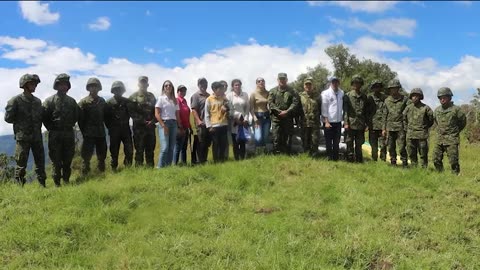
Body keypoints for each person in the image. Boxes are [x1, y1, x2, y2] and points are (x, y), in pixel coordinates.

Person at [4, 74, 46, 187]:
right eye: (32, 84)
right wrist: (20, 123)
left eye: (35, 84)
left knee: (40, 162)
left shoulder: (38, 101)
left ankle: (42, 185)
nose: (35, 86)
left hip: (37, 136)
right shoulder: (15, 100)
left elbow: (41, 117)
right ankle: (19, 186)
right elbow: (8, 118)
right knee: (21, 163)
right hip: (23, 137)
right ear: (24, 85)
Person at [43, 73, 79, 186]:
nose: (64, 87)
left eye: (66, 85)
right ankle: (57, 184)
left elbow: (77, 115)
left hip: (68, 133)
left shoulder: (72, 101)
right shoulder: (49, 101)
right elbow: (44, 117)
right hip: (55, 135)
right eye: (61, 84)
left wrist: (70, 125)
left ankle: (66, 181)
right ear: (57, 86)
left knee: (68, 160)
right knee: (56, 161)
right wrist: (51, 128)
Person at [433, 87, 466, 174]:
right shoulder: (437, 110)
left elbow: (463, 122)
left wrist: (454, 131)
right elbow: (436, 121)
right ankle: (440, 174)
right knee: (435, 159)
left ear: (449, 97)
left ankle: (455, 177)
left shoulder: (456, 109)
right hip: (439, 139)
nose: (442, 99)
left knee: (453, 161)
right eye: (440, 98)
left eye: (444, 97)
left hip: (452, 139)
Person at [78, 77, 107, 175]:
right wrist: (84, 131)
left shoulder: (102, 101)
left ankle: (102, 173)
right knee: (86, 157)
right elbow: (80, 119)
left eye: (96, 86)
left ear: (99, 88)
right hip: (88, 134)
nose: (94, 88)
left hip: (101, 133)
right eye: (92, 86)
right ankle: (85, 175)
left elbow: (106, 116)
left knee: (102, 156)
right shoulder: (83, 102)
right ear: (88, 88)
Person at [128, 76, 157, 167]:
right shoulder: (133, 97)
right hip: (139, 129)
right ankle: (138, 171)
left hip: (150, 128)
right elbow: (132, 112)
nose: (143, 84)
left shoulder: (152, 96)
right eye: (141, 82)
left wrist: (153, 121)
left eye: (145, 82)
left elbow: (156, 111)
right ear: (138, 84)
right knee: (139, 150)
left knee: (150, 150)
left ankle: (150, 170)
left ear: (147, 84)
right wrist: (144, 121)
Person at [104, 81, 133, 171]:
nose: (118, 91)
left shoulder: (127, 101)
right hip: (114, 130)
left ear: (123, 90)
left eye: (120, 89)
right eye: (116, 89)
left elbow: (131, 114)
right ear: (113, 90)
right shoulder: (108, 103)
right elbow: (106, 117)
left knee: (129, 149)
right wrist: (111, 127)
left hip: (125, 129)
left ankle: (128, 167)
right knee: (114, 150)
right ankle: (114, 168)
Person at [268, 73, 300, 154]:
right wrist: (279, 112)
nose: (282, 81)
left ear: (287, 80)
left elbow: (295, 102)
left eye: (284, 79)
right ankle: (276, 153)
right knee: (276, 136)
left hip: (288, 117)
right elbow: (271, 103)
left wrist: (287, 111)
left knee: (288, 136)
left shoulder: (292, 91)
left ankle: (287, 153)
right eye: (280, 79)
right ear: (278, 80)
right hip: (276, 118)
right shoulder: (272, 91)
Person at [403, 88, 434, 168]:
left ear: (420, 97)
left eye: (416, 96)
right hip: (410, 135)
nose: (414, 98)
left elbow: (431, 120)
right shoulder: (408, 108)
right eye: (413, 96)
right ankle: (414, 168)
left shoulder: (426, 108)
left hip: (422, 135)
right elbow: (404, 119)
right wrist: (407, 129)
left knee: (423, 154)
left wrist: (424, 128)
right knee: (411, 153)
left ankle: (424, 169)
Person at [382, 79, 408, 167]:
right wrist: (383, 129)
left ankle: (404, 162)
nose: (393, 90)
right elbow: (384, 115)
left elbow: (409, 111)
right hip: (390, 127)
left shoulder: (404, 99)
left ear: (398, 88)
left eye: (395, 88)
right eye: (392, 88)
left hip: (401, 127)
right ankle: (393, 161)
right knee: (391, 146)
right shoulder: (387, 101)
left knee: (401, 146)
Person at [343, 75, 369, 163]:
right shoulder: (347, 95)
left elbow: (366, 111)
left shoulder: (364, 97)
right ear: (352, 84)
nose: (356, 85)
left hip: (361, 124)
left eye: (358, 83)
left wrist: (366, 124)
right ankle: (350, 159)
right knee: (349, 142)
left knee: (359, 143)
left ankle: (359, 159)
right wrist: (346, 123)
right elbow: (345, 110)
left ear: (361, 84)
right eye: (354, 83)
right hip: (350, 123)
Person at [155, 80, 181, 168]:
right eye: (166, 85)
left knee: (171, 147)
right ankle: (159, 168)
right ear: (163, 88)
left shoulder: (175, 100)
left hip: (174, 124)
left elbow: (177, 114)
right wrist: (163, 125)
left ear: (172, 87)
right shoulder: (161, 98)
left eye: (170, 85)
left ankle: (168, 167)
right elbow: (157, 114)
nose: (168, 87)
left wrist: (179, 126)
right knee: (165, 147)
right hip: (164, 123)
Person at [205, 81, 230, 163]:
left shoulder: (224, 98)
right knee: (216, 144)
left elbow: (229, 107)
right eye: (219, 88)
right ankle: (216, 161)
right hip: (214, 125)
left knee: (223, 144)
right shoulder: (209, 99)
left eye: (222, 88)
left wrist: (226, 107)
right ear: (214, 89)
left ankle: (222, 160)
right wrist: (209, 126)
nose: (221, 90)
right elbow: (206, 113)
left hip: (224, 123)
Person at [321, 76, 344, 161]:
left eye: (337, 82)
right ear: (331, 83)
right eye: (333, 82)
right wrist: (326, 121)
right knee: (328, 141)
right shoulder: (325, 93)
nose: (335, 84)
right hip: (328, 121)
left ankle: (336, 158)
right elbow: (324, 108)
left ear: (339, 83)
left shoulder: (342, 93)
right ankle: (329, 157)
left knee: (336, 141)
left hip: (338, 121)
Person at [227, 79, 250, 160]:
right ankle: (236, 159)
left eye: (238, 85)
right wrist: (235, 118)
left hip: (244, 120)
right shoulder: (229, 96)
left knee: (243, 141)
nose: (237, 86)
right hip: (234, 121)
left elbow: (247, 108)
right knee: (235, 141)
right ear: (232, 86)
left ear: (241, 85)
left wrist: (246, 119)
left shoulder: (245, 95)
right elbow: (229, 109)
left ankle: (243, 158)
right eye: (235, 85)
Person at [299, 77, 321, 156]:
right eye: (306, 85)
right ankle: (306, 155)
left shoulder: (318, 96)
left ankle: (315, 155)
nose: (308, 86)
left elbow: (321, 108)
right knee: (305, 140)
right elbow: (297, 109)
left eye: (310, 85)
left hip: (315, 123)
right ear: (304, 86)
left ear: (312, 86)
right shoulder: (300, 96)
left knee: (315, 140)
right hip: (304, 122)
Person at [191, 77, 211, 164]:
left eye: (204, 83)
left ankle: (204, 160)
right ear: (198, 85)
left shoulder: (209, 95)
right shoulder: (195, 96)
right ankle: (199, 161)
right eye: (201, 83)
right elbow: (194, 110)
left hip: (209, 123)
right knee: (201, 142)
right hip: (201, 123)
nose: (203, 85)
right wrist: (198, 120)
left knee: (207, 143)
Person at [367, 80, 387, 162]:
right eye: (375, 87)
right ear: (372, 88)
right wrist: (367, 124)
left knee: (383, 145)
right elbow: (366, 112)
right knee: (373, 145)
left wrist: (386, 127)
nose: (377, 88)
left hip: (383, 126)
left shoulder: (385, 98)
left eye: (378, 86)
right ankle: (374, 159)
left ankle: (383, 160)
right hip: (372, 125)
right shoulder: (369, 98)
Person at [250, 77, 270, 153]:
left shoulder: (268, 93)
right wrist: (254, 118)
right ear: (256, 83)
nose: (261, 82)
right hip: (257, 117)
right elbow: (251, 108)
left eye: (262, 81)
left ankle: (264, 152)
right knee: (258, 137)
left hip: (266, 117)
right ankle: (258, 153)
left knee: (265, 137)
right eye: (259, 81)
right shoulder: (253, 94)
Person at [173, 85, 191, 165]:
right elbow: (177, 114)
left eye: (184, 90)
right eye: (180, 90)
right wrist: (179, 126)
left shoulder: (185, 101)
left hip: (186, 127)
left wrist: (189, 126)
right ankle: (175, 164)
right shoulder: (176, 100)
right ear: (177, 92)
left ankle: (184, 163)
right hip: (179, 127)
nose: (182, 92)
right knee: (177, 147)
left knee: (184, 147)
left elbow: (187, 115)